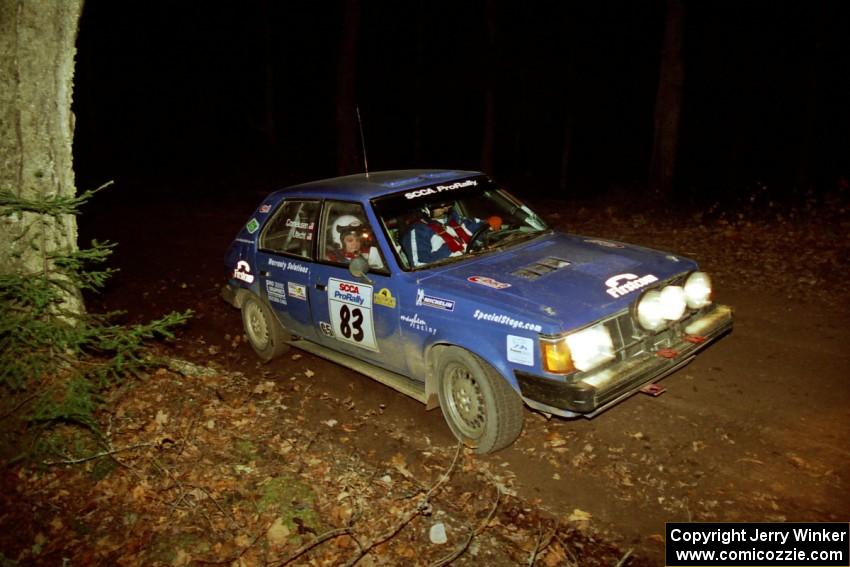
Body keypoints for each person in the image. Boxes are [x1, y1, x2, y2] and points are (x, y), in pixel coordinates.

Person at [401, 200, 485, 267]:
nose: (445, 208)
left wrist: (490, 225)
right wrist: (449, 248)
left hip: (477, 261)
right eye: (440, 205)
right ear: (425, 208)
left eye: (447, 203)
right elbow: (418, 265)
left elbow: (477, 229)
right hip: (451, 270)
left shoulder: (455, 219)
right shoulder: (418, 231)